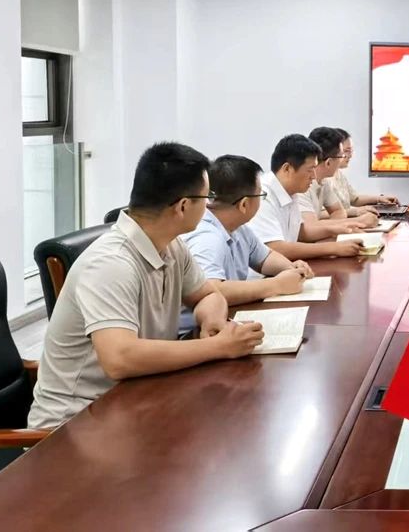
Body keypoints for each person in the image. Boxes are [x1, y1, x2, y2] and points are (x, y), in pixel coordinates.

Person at [28, 143, 265, 430]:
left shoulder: (172, 246)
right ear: (183, 206)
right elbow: (119, 358)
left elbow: (208, 295)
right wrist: (217, 346)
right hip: (74, 424)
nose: (210, 206)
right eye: (207, 197)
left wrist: (212, 322)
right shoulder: (110, 263)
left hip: (137, 398)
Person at [183, 154, 316, 306]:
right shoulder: (206, 237)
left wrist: (291, 268)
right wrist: (277, 285)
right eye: (261, 194)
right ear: (244, 204)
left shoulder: (238, 227)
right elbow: (210, 291)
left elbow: (264, 258)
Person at [247, 134, 363, 260]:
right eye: (310, 170)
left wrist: (337, 229)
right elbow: (274, 248)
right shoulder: (262, 194)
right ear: (287, 169)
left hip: (288, 266)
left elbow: (301, 233)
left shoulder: (291, 191)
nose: (314, 176)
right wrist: (333, 248)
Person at [299, 127, 377, 230]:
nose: (346, 157)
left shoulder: (323, 181)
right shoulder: (301, 185)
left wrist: (333, 227)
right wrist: (358, 221)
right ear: (328, 163)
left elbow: (338, 211)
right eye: (341, 156)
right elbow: (309, 228)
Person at [323, 128, 398, 217]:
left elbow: (355, 199)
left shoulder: (339, 174)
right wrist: (355, 212)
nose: (350, 155)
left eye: (351, 151)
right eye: (346, 151)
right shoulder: (322, 179)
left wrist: (379, 199)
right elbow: (319, 215)